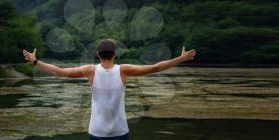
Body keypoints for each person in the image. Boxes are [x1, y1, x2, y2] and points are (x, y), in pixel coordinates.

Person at [23, 39, 196, 140]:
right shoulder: (124, 70)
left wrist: (36, 62)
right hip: (120, 131)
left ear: (98, 54)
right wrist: (180, 59)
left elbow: (60, 72)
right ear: (114, 55)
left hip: (96, 131)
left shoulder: (90, 70)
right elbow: (155, 68)